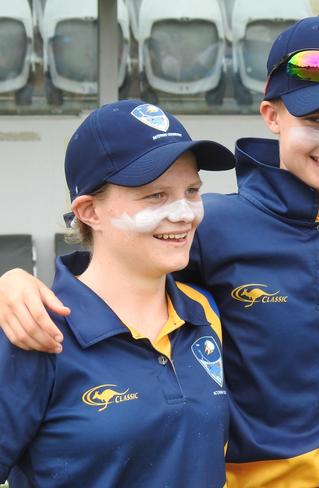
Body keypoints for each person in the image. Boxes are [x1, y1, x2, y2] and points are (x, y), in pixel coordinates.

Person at [0, 15, 319, 487]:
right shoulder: (210, 228)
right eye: (316, 118)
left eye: (191, 191)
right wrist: (13, 283)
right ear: (272, 115)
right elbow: (111, 273)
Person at [0, 99, 235, 486]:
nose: (184, 213)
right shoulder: (36, 328)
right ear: (89, 211)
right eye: (155, 195)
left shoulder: (202, 312)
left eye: (192, 190)